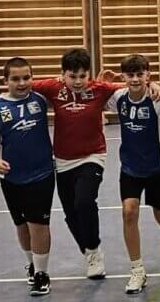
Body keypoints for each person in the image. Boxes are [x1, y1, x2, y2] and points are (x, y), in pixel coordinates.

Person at [31, 48, 124, 279]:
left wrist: (153, 86)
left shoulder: (99, 89)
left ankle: (93, 250)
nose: (78, 81)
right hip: (63, 160)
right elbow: (24, 85)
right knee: (70, 214)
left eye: (83, 76)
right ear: (63, 74)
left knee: (84, 201)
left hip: (92, 156)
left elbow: (131, 86)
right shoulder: (53, 88)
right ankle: (89, 250)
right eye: (72, 76)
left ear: (89, 74)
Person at [104, 54, 160, 295]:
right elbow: (96, 94)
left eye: (140, 74)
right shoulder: (119, 98)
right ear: (124, 76)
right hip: (130, 168)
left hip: (159, 168)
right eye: (130, 75)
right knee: (129, 212)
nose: (135, 79)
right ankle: (137, 270)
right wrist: (103, 80)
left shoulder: (158, 101)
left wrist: (159, 89)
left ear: (148, 75)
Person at [0, 57, 55, 296]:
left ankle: (42, 274)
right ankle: (32, 263)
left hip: (42, 173)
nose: (22, 83)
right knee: (21, 225)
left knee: (38, 224)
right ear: (6, 80)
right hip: (12, 177)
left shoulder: (41, 99)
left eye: (26, 77)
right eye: (15, 79)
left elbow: (69, 93)